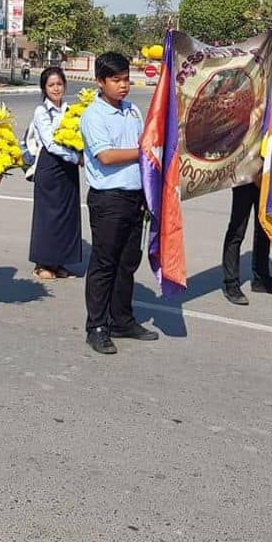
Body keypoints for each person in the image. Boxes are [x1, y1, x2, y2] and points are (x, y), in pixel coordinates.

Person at [80, 51, 158, 355]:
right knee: (105, 264)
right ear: (100, 81)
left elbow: (146, 148)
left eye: (126, 79)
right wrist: (144, 150)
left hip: (134, 197)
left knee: (127, 263)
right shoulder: (94, 115)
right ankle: (97, 327)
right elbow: (107, 156)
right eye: (116, 80)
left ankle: (122, 320)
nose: (123, 85)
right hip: (108, 199)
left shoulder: (132, 111)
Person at [28, 67, 83, 280]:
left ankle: (60, 262)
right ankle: (42, 263)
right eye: (51, 85)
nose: (56, 88)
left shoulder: (71, 110)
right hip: (49, 166)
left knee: (67, 216)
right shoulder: (41, 111)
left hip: (68, 169)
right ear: (44, 88)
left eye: (59, 84)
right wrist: (76, 158)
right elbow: (50, 143)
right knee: (48, 216)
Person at [221, 178, 272, 305]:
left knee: (264, 229)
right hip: (244, 180)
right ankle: (231, 284)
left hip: (265, 179)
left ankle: (261, 280)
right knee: (237, 230)